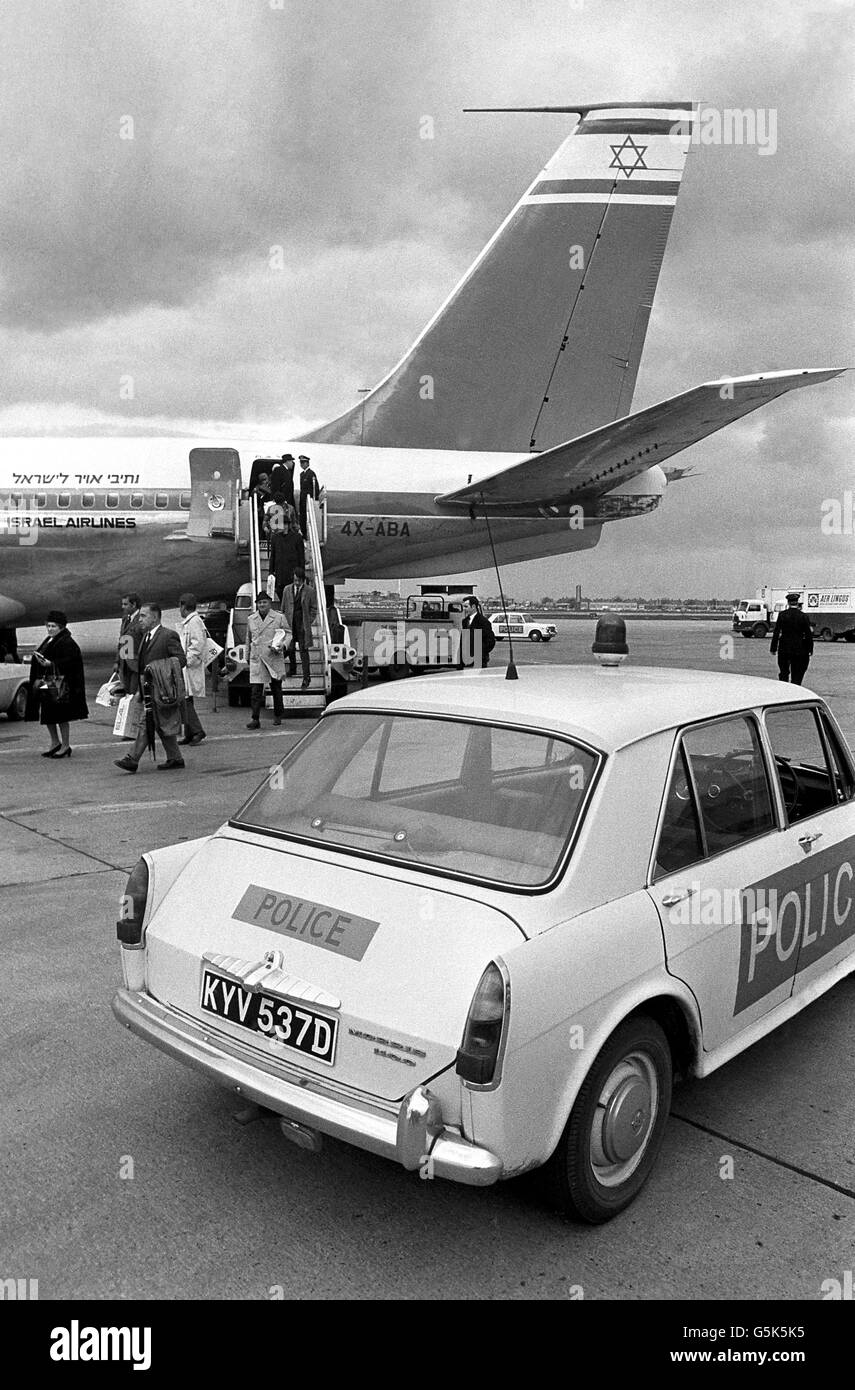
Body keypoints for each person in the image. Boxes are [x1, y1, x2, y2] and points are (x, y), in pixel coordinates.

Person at [114, 603, 187, 772]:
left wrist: (157, 668)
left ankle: (132, 759)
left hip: (161, 690)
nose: (140, 619)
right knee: (160, 725)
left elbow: (180, 659)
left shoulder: (168, 636)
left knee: (146, 724)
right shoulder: (146, 638)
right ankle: (175, 758)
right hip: (148, 691)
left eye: (143, 616)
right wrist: (140, 689)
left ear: (154, 617)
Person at [26, 610, 88, 757]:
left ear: (61, 627)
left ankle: (65, 745)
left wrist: (51, 664)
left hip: (61, 685)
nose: (50, 629)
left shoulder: (67, 642)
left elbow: (70, 664)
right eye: (48, 626)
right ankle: (55, 742)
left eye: (53, 626)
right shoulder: (50, 639)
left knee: (61, 716)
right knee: (48, 714)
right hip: (48, 682)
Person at [246, 592, 288, 727]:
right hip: (257, 657)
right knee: (256, 691)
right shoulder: (251, 619)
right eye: (259, 603)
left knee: (276, 688)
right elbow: (248, 638)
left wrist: (283, 645)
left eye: (264, 602)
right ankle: (255, 719)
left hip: (273, 656)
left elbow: (288, 634)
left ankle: (278, 715)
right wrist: (247, 655)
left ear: (270, 603)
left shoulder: (279, 617)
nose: (262, 605)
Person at [177, 593, 208, 746]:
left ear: (183, 606)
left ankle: (197, 730)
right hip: (187, 666)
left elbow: (197, 644)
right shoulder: (190, 621)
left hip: (189, 666)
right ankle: (189, 732)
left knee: (185, 700)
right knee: (186, 699)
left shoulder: (194, 622)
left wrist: (186, 661)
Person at [282, 567, 317, 689]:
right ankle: (292, 669)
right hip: (290, 624)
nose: (296, 583)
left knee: (304, 651)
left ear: (303, 580)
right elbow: (283, 608)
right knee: (289, 648)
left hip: (302, 624)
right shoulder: (287, 589)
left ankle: (306, 678)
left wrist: (308, 621)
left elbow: (314, 609)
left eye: (298, 581)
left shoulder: (310, 591)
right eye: (295, 580)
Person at [770, 591, 814, 685]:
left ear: (788, 603)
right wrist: (810, 649)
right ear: (797, 602)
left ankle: (784, 690)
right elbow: (808, 634)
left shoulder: (782, 615)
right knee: (797, 674)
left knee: (784, 672)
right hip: (799, 649)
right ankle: (795, 689)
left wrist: (773, 648)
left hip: (784, 648)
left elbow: (776, 632)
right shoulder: (803, 616)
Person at [269, 516, 305, 601]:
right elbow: (273, 556)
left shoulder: (297, 537)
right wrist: (271, 571)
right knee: (280, 590)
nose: (283, 526)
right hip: (279, 570)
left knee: (292, 592)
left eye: (285, 524)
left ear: (288, 525)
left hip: (292, 569)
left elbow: (301, 556)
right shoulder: (275, 538)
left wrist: (301, 572)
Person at [114, 591, 143, 694]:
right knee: (127, 693)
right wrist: (117, 661)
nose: (123, 607)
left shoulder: (142, 619)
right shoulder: (125, 619)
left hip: (135, 664)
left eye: (125, 604)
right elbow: (122, 640)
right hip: (124, 664)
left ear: (134, 604)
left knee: (134, 694)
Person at [460, 595, 496, 668]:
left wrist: (480, 652)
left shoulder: (483, 622)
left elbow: (491, 641)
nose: (464, 609)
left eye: (466, 607)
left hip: (479, 661)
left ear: (473, 607)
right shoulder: (465, 621)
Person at [297, 454, 320, 537]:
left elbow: (315, 488)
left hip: (309, 500)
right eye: (301, 463)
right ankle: (303, 533)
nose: (302, 464)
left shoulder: (311, 474)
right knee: (302, 517)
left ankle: (308, 534)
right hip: (303, 499)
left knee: (308, 517)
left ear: (307, 463)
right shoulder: (302, 474)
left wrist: (314, 500)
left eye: (303, 463)